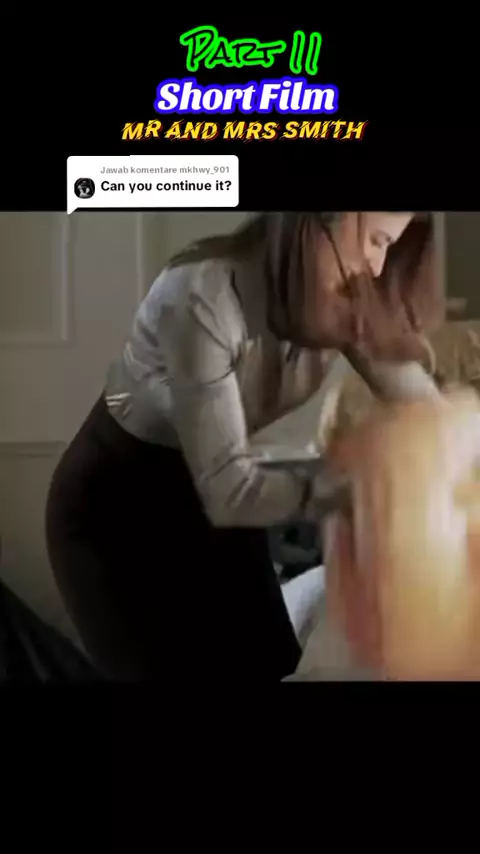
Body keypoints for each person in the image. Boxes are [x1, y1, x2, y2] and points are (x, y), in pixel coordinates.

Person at [45, 212, 444, 682]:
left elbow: (430, 415)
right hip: (118, 512)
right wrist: (369, 485)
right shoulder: (202, 293)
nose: (377, 267)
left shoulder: (340, 294)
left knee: (271, 668)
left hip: (216, 501)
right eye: (376, 241)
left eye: (389, 246)